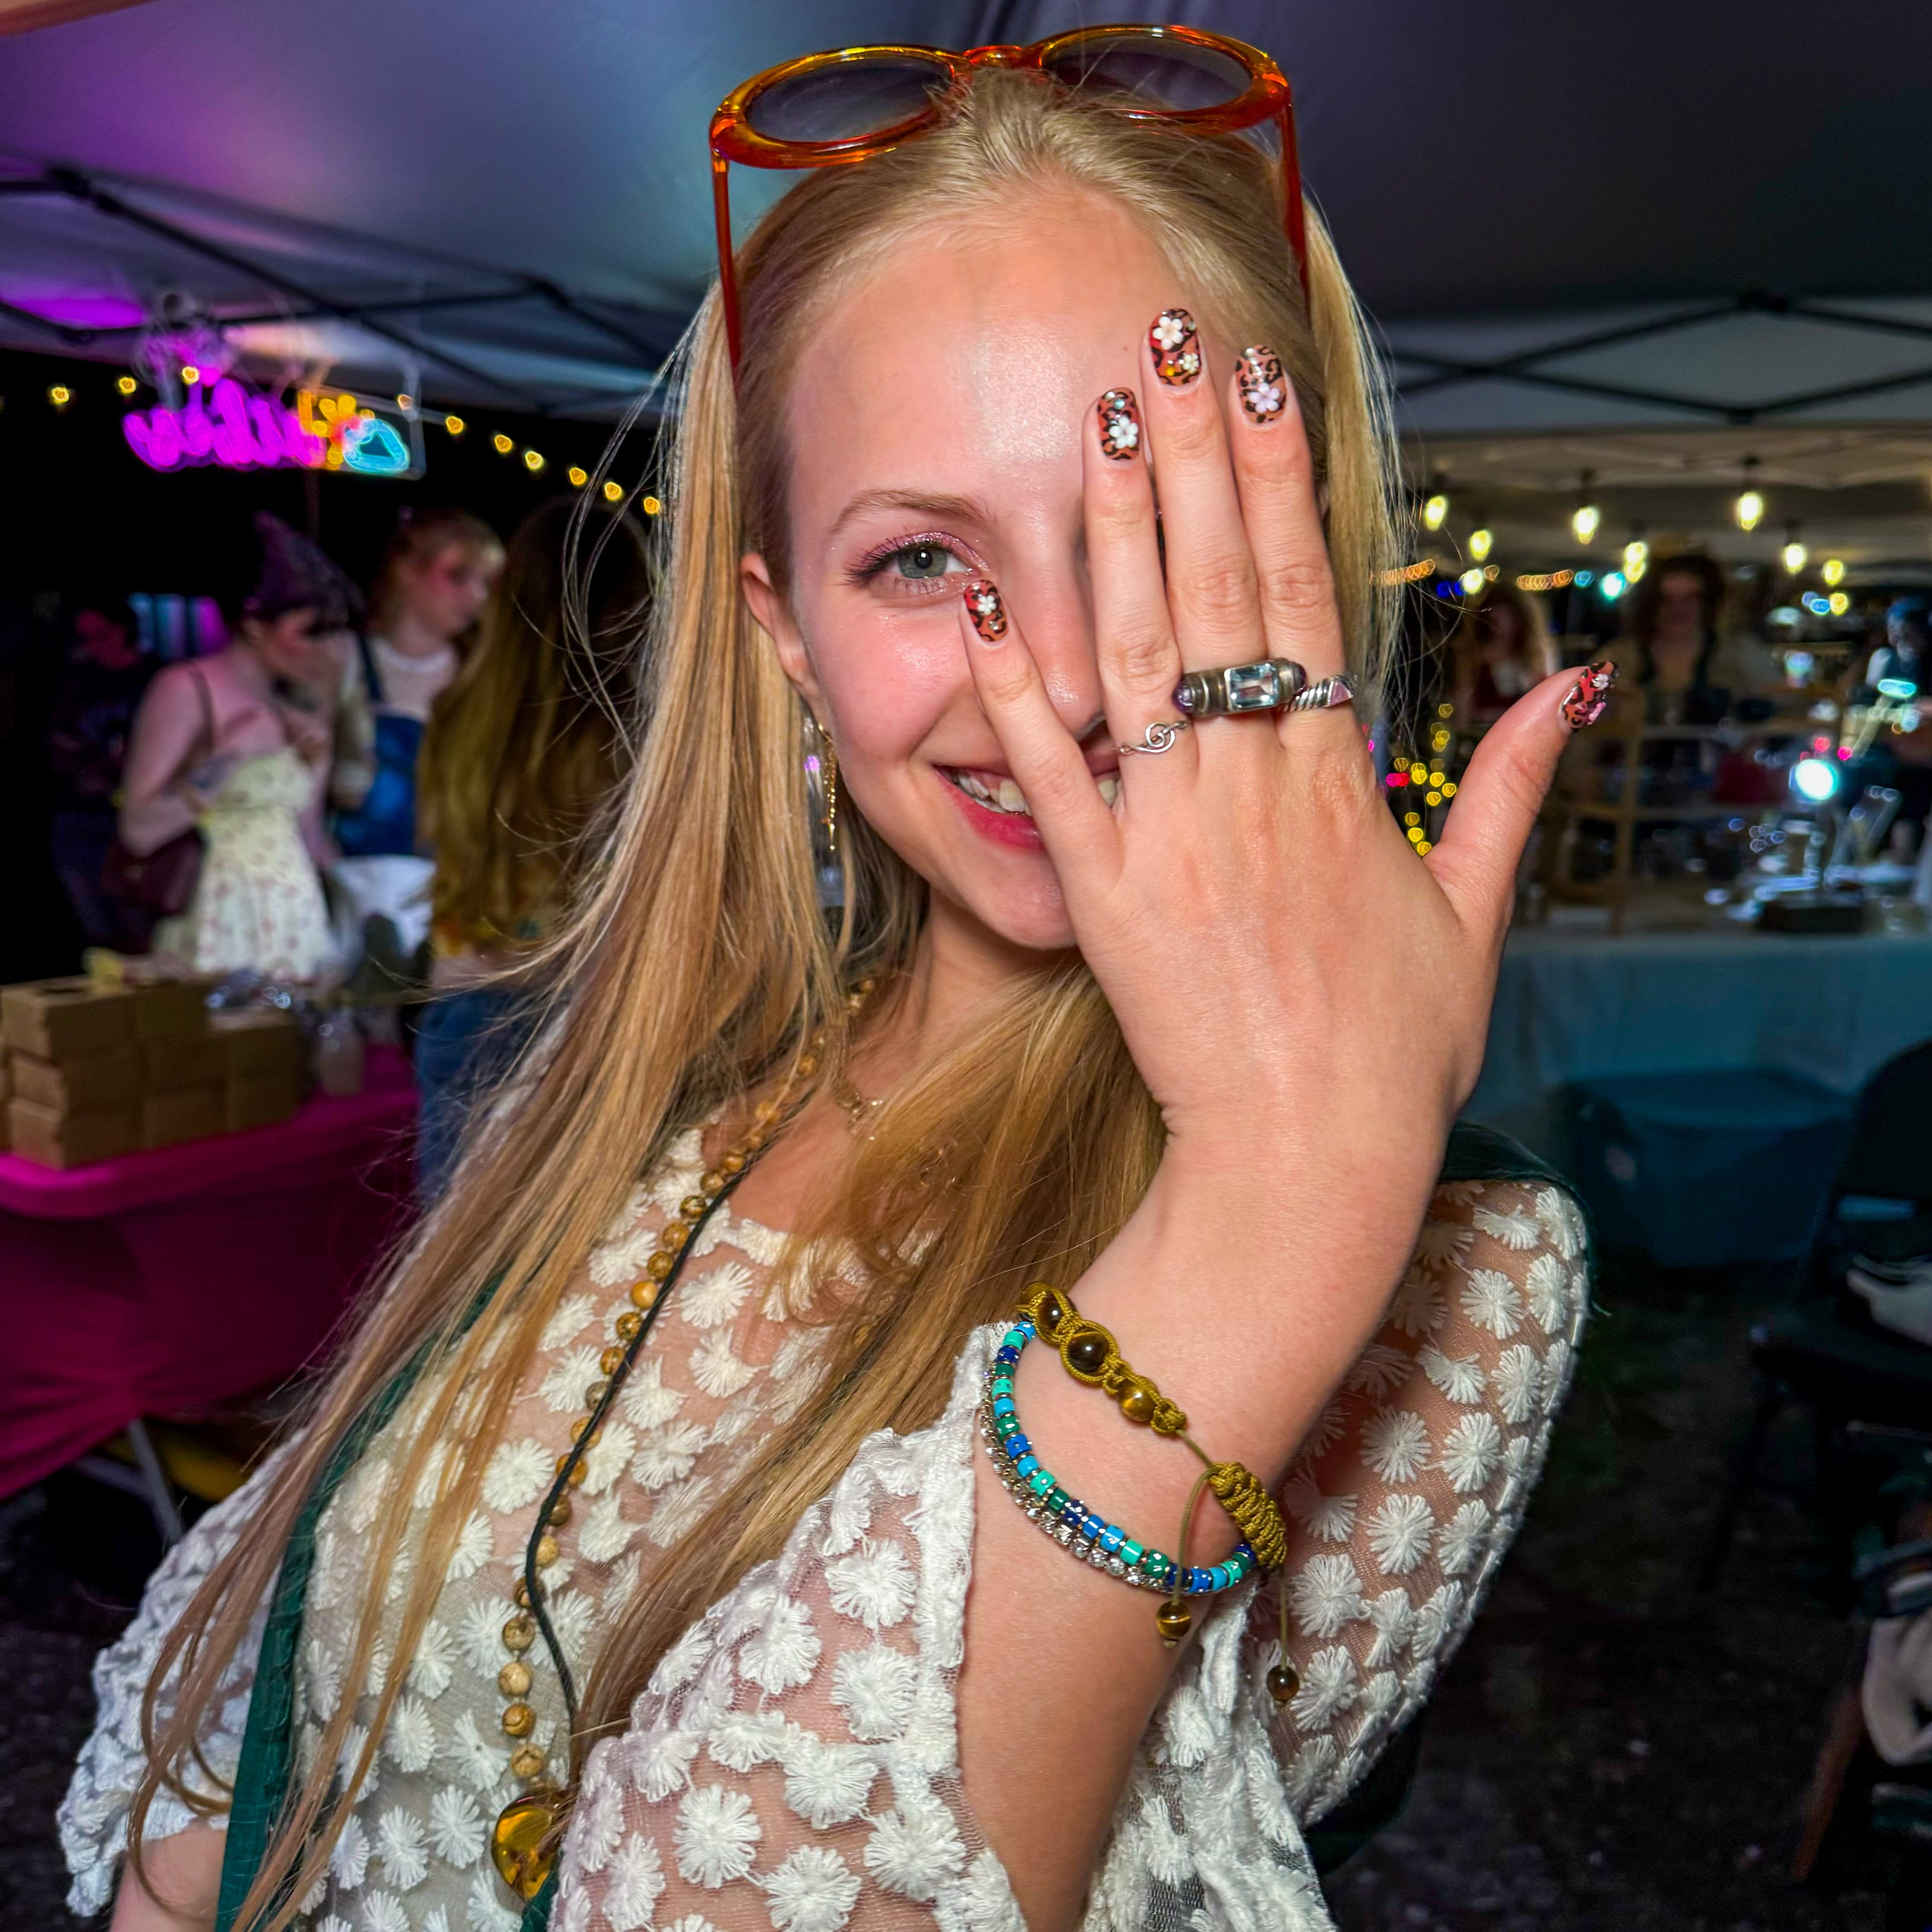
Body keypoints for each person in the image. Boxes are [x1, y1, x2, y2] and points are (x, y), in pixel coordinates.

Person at [65, 49, 1610, 1932]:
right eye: (915, 559)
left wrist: (1288, 1186)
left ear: (1291, 553)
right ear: (782, 629)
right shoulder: (647, 1090)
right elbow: (249, 1715)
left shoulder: (1447, 1272)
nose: (1047, 676)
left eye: (1142, 541)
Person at [413, 496, 652, 1199]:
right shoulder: (632, 731)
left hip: (467, 1001)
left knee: (462, 1272)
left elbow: (440, 846)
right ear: (629, 598)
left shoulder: (457, 712)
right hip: (587, 1014)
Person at [116, 515, 350, 981]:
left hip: (290, 915)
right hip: (215, 914)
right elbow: (139, 830)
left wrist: (318, 767)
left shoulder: (296, 703)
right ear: (257, 625)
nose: (324, 649)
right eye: (309, 632)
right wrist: (231, 757)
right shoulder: (187, 689)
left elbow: (305, 838)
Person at [330, 505, 504, 971]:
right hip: (358, 881)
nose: (475, 596)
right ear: (409, 571)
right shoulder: (345, 662)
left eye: (485, 582)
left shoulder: (475, 678)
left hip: (451, 884)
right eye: (459, 576)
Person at [47, 599, 158, 952]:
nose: (92, 644)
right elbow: (56, 744)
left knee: (144, 931)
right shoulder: (76, 681)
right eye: (85, 636)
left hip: (140, 823)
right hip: (82, 819)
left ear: (125, 630)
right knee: (98, 934)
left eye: (100, 634)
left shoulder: (159, 680)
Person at [1446, 582, 1557, 725]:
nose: (1500, 624)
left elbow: (1548, 703)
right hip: (1484, 733)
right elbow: (1463, 706)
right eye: (1494, 616)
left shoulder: (1537, 655)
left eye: (1507, 617)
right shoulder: (1472, 655)